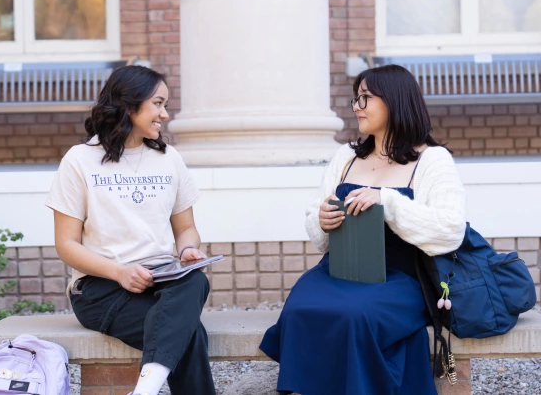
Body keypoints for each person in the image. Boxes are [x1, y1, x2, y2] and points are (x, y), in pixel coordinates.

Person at [259, 64, 467, 395]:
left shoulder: (433, 160)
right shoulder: (346, 156)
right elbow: (317, 222)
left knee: (355, 316)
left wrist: (387, 202)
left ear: (395, 101)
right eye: (355, 98)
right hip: (337, 271)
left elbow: (450, 230)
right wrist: (322, 221)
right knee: (300, 310)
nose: (356, 106)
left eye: (365, 98)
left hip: (402, 277)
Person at [45, 65, 216, 395]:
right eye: (158, 104)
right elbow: (66, 244)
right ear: (128, 104)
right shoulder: (80, 160)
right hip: (102, 287)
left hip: (163, 281)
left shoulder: (169, 159)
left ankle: (145, 390)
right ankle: (148, 389)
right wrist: (120, 272)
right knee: (189, 332)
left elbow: (187, 229)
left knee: (194, 277)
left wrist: (186, 251)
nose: (165, 115)